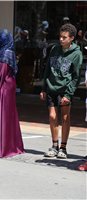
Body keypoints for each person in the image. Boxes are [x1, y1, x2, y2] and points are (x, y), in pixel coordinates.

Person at [40, 24, 82, 159]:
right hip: (51, 88)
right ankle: (54, 145)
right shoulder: (54, 49)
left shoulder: (76, 53)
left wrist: (69, 94)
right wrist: (44, 88)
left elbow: (76, 76)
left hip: (65, 90)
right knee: (52, 117)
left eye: (64, 37)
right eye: (60, 36)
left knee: (65, 118)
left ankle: (63, 147)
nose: (61, 39)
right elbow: (47, 69)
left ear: (72, 38)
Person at [0, 29, 25, 158]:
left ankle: (4, 148)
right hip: (6, 86)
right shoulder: (7, 52)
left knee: (2, 116)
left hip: (3, 88)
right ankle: (6, 146)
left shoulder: (5, 54)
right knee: (7, 116)